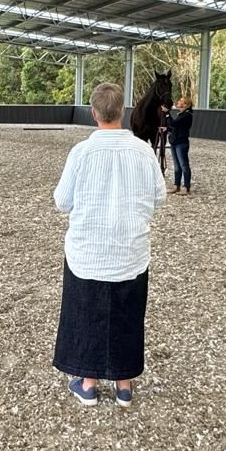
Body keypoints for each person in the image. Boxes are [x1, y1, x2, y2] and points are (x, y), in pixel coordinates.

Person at [52, 82, 167, 408]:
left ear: (93, 113)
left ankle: (87, 383)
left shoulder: (82, 153)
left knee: (86, 314)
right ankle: (124, 384)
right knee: (127, 316)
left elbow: (62, 201)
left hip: (88, 252)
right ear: (122, 111)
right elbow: (159, 197)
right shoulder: (144, 152)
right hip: (130, 253)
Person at [166, 95, 194, 194]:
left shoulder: (187, 115)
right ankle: (176, 185)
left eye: (181, 101)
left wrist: (167, 114)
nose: (178, 102)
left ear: (186, 104)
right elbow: (174, 127)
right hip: (175, 142)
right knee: (177, 165)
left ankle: (186, 187)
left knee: (184, 165)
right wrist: (166, 129)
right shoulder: (181, 115)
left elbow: (173, 124)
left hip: (181, 143)